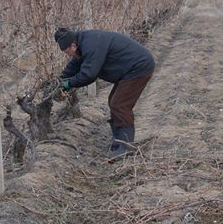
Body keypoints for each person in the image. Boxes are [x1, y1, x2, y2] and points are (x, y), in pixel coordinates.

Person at [54, 27, 155, 159]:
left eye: (68, 51)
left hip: (138, 66)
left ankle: (126, 146)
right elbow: (74, 66)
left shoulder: (91, 44)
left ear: (73, 45)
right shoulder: (82, 44)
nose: (69, 55)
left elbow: (89, 75)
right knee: (113, 100)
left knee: (119, 103)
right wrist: (58, 82)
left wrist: (67, 84)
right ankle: (118, 140)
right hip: (127, 70)